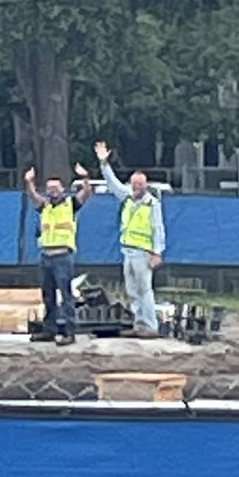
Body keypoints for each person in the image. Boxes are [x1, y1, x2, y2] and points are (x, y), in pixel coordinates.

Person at [94, 140, 166, 338]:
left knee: (145, 289)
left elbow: (157, 228)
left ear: (146, 185)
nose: (136, 187)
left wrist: (157, 252)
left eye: (140, 184)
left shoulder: (152, 204)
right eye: (134, 183)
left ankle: (150, 326)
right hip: (128, 250)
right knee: (132, 290)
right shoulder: (126, 197)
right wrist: (104, 164)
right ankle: (139, 323)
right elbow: (112, 183)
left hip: (143, 253)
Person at [24, 163, 93, 345]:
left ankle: (69, 332)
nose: (53, 191)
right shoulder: (45, 206)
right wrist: (29, 182)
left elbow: (86, 193)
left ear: (63, 189)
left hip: (63, 255)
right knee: (48, 295)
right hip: (46, 255)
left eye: (56, 187)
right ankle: (49, 329)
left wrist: (85, 177)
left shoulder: (70, 204)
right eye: (49, 188)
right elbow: (32, 195)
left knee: (66, 294)